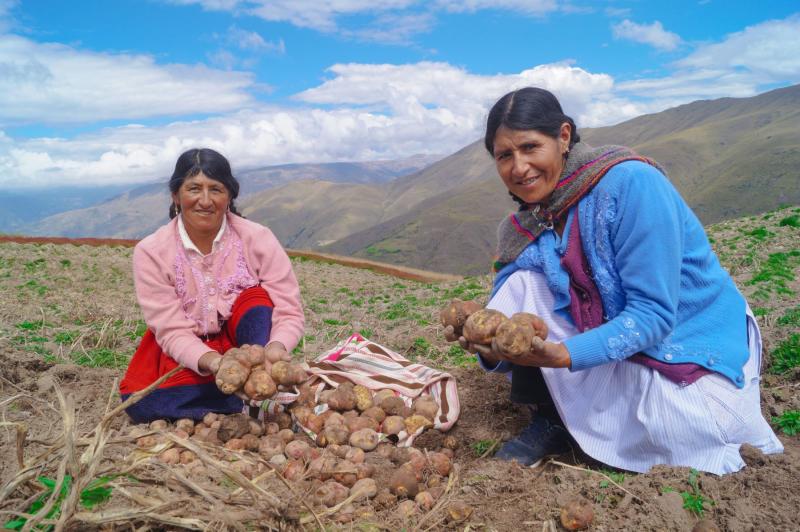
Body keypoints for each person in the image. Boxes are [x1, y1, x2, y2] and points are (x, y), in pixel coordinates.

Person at [454, 87, 783, 474]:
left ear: (563, 137)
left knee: (698, 430)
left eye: (530, 147)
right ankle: (551, 417)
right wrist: (490, 346)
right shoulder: (525, 223)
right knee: (520, 283)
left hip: (685, 334)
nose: (519, 167)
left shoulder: (631, 185)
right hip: (605, 320)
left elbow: (654, 315)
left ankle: (591, 414)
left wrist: (562, 356)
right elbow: (509, 308)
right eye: (504, 155)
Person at [119, 148, 304, 423]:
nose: (205, 201)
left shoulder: (258, 238)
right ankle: (240, 399)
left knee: (256, 299)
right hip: (190, 350)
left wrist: (274, 349)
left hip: (251, 346)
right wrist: (217, 364)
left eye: (215, 189)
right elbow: (170, 330)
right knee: (141, 403)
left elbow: (289, 311)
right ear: (176, 196)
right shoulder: (151, 251)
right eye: (194, 188)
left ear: (229, 196)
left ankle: (255, 382)